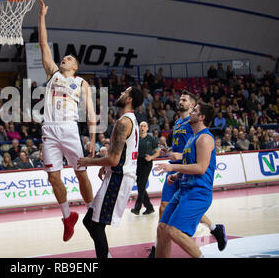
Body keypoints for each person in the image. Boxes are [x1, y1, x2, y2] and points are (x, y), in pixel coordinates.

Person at [38, 0, 97, 242]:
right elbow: (43, 45)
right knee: (53, 176)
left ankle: (93, 212)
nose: (65, 59)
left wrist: (93, 138)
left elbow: (91, 112)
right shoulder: (52, 73)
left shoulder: (82, 82)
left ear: (75, 67)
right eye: (64, 58)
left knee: (81, 174)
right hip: (49, 130)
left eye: (70, 59)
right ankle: (67, 217)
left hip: (70, 129)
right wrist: (42, 17)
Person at [147, 91, 226, 258]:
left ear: (202, 117)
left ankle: (211, 236)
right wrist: (177, 176)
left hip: (197, 192)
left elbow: (200, 168)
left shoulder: (204, 138)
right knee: (162, 229)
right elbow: (188, 160)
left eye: (195, 111)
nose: (191, 112)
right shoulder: (191, 137)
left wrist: (173, 169)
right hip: (184, 188)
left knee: (174, 231)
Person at [77, 86, 144, 258]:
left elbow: (114, 160)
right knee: (89, 221)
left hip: (119, 178)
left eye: (124, 92)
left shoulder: (123, 123)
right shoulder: (130, 120)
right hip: (117, 174)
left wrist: (88, 161)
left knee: (96, 225)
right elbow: (117, 156)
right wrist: (104, 165)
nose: (121, 94)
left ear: (129, 100)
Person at [131, 121, 159, 216]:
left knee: (141, 184)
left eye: (144, 126)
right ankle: (149, 207)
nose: (142, 127)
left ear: (147, 128)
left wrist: (151, 157)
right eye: (141, 126)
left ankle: (137, 208)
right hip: (137, 162)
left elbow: (157, 152)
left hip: (147, 162)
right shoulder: (136, 138)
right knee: (140, 185)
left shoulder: (151, 139)